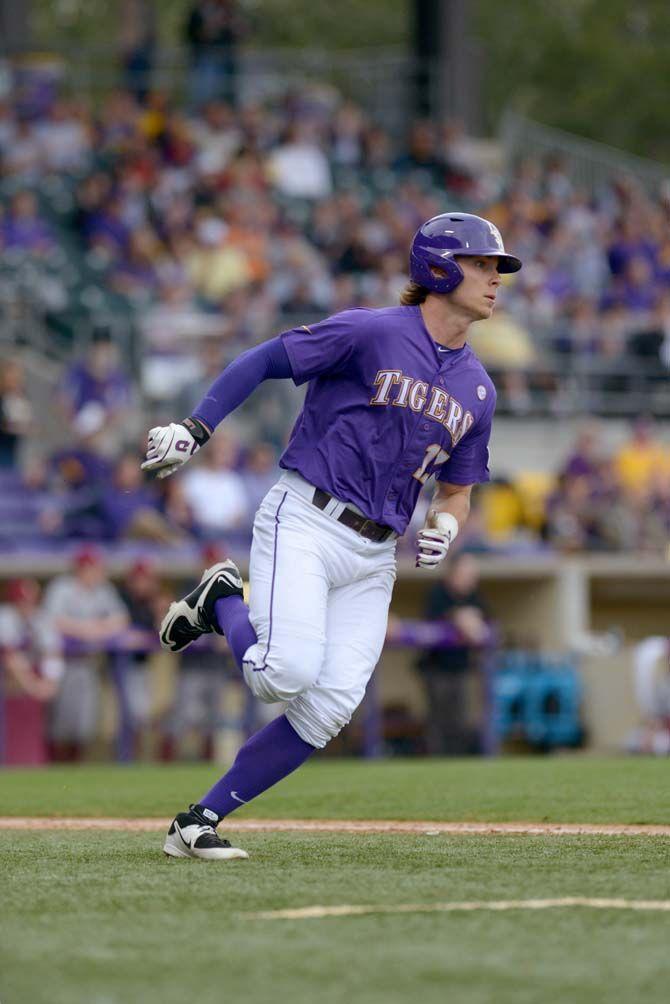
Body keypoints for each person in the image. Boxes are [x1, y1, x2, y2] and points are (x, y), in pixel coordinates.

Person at [142, 211, 521, 860]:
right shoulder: (371, 330)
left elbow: (457, 491)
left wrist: (448, 526)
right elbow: (265, 360)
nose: (494, 279)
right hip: (309, 516)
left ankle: (196, 822)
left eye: (496, 268)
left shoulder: (479, 389)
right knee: (280, 674)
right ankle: (221, 600)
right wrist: (196, 429)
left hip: (375, 555)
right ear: (439, 268)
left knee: (327, 710)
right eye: (482, 264)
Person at [416, 552, 490, 755]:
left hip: (462, 668)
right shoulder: (438, 593)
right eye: (466, 573)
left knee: (460, 719)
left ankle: (459, 759)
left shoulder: (474, 597)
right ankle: (437, 760)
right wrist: (456, 617)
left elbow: (487, 623)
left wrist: (473, 619)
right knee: (439, 719)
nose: (470, 579)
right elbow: (431, 620)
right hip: (436, 668)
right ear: (453, 573)